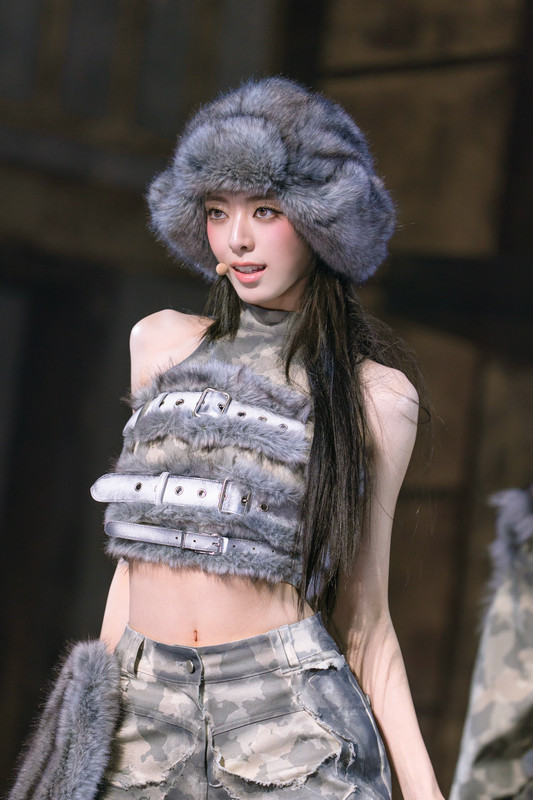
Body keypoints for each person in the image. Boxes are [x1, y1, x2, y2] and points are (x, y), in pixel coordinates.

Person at [9, 77, 444, 800]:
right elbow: (134, 559)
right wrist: (88, 727)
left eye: (264, 210)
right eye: (217, 211)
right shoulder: (160, 343)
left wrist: (426, 792)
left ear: (323, 221)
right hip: (142, 718)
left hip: (289, 725)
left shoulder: (375, 395)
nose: (237, 237)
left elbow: (366, 622)